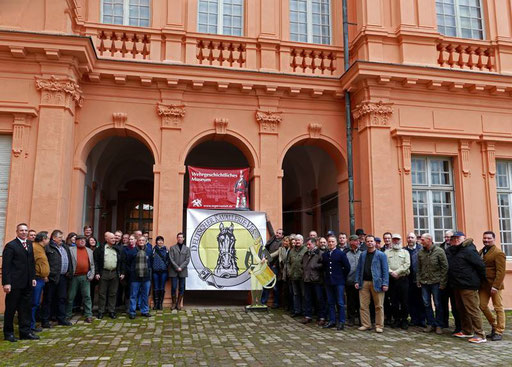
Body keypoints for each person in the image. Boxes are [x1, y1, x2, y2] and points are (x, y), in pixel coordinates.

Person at [446, 232, 487, 343]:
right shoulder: (455, 250)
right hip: (457, 284)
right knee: (461, 309)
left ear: (464, 238)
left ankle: (480, 334)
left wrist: (481, 281)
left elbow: (480, 266)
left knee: (472, 310)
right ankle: (467, 331)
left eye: (458, 238)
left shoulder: (469, 250)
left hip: (468, 285)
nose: (456, 239)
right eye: (454, 238)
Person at [2, 223, 38, 342]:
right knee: (11, 309)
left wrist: (33, 278)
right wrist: (6, 283)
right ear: (17, 232)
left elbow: (31, 263)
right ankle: (9, 333)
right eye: (21, 230)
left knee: (25, 309)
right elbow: (6, 266)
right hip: (14, 284)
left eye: (26, 230)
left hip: (27, 283)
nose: (24, 232)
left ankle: (25, 332)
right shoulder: (11, 246)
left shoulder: (29, 244)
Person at [355, 235, 389, 333]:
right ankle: (366, 324)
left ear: (375, 242)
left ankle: (379, 325)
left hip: (377, 283)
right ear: (365, 243)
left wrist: (385, 283)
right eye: (368, 241)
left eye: (371, 241)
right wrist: (357, 281)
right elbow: (359, 268)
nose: (370, 243)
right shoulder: (363, 254)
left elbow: (385, 270)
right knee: (363, 305)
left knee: (379, 305)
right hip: (364, 282)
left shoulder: (381, 255)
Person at [417, 233, 448, 335]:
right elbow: (418, 268)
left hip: (436, 282)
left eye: (422, 240)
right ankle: (430, 323)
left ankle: (439, 325)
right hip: (424, 282)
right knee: (426, 304)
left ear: (429, 240)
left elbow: (445, 267)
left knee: (438, 304)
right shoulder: (421, 252)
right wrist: (418, 280)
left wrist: (443, 282)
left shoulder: (439, 251)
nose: (421, 242)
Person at [41, 229, 73, 327]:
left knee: (62, 298)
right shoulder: (48, 247)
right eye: (60, 237)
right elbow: (44, 262)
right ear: (54, 238)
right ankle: (45, 321)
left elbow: (69, 260)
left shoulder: (65, 247)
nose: (62, 239)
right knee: (48, 299)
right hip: (52, 277)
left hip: (63, 277)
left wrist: (69, 271)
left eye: (62, 237)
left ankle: (61, 319)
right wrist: (46, 275)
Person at [478, 231, 506, 341]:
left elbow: (501, 272)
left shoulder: (498, 253)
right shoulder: (482, 251)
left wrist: (495, 286)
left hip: (495, 285)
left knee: (498, 307)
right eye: (485, 238)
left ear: (494, 239)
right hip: (484, 285)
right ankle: (494, 325)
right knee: (481, 305)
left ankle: (499, 331)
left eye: (489, 238)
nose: (486, 240)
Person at [94, 232, 125, 319]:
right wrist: (97, 272)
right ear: (106, 239)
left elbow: (122, 261)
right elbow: (96, 262)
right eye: (112, 238)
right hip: (104, 272)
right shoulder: (100, 249)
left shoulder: (118, 249)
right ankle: (101, 311)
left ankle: (111, 311)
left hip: (115, 273)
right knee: (102, 293)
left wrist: (122, 272)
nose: (114, 240)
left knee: (113, 293)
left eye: (114, 238)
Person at [322, 235, 350, 330]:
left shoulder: (340, 254)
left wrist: (341, 277)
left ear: (336, 243)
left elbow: (347, 267)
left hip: (339, 282)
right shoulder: (325, 254)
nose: (330, 243)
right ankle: (332, 321)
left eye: (332, 242)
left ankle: (341, 322)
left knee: (340, 302)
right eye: (329, 242)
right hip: (329, 281)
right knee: (330, 302)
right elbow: (324, 268)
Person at [66, 235, 95, 323]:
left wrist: (92, 274)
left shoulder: (89, 251)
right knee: (70, 296)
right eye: (80, 240)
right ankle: (68, 314)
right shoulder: (71, 250)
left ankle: (88, 315)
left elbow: (92, 264)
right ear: (76, 241)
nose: (82, 241)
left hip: (85, 277)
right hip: (74, 277)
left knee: (87, 296)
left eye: (84, 240)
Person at [385, 234, 411, 330]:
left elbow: (407, 264)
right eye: (394, 240)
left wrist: (397, 272)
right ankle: (396, 319)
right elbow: (385, 264)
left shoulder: (405, 252)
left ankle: (404, 320)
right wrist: (392, 272)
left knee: (404, 301)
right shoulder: (387, 252)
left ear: (400, 240)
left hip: (403, 278)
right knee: (393, 301)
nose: (396, 241)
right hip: (391, 280)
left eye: (398, 240)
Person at [126, 236, 152, 319]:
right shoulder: (132, 251)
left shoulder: (149, 251)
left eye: (143, 240)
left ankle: (145, 311)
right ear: (137, 241)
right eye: (139, 240)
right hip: (135, 277)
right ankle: (132, 312)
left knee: (145, 295)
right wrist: (132, 271)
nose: (141, 241)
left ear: (145, 241)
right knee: (133, 295)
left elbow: (151, 263)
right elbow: (128, 263)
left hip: (146, 277)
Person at [301, 238, 325, 325]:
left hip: (317, 280)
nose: (307, 246)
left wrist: (315, 266)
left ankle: (321, 317)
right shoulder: (306, 254)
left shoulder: (320, 253)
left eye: (309, 244)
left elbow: (324, 265)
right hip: (307, 279)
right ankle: (308, 316)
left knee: (319, 299)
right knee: (307, 299)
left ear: (314, 244)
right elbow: (302, 264)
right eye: (307, 245)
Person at [405, 232, 426, 327]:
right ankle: (414, 319)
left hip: (419, 279)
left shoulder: (421, 250)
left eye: (412, 237)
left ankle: (422, 319)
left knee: (421, 300)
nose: (410, 239)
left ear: (415, 239)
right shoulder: (404, 250)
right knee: (410, 300)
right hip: (407, 279)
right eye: (408, 237)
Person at [31, 231, 50, 333]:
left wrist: (45, 275)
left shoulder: (41, 248)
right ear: (43, 239)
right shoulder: (34, 248)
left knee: (36, 303)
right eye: (47, 238)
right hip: (36, 279)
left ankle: (32, 324)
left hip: (41, 278)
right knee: (33, 303)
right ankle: (30, 325)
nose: (48, 240)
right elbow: (32, 263)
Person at [169, 232, 190, 310]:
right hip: (174, 270)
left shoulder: (187, 249)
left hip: (183, 270)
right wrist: (177, 267)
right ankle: (173, 303)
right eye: (178, 237)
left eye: (181, 237)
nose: (180, 238)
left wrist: (181, 267)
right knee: (173, 287)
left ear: (183, 239)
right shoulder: (172, 248)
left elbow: (187, 260)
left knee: (181, 287)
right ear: (177, 238)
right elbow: (171, 258)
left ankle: (178, 303)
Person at [263, 227, 283, 308]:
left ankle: (276, 303)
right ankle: (263, 302)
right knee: (266, 284)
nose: (277, 234)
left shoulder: (282, 243)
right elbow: (265, 249)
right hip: (268, 265)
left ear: (282, 235)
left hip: (275, 266)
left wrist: (268, 259)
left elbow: (277, 254)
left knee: (275, 286)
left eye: (279, 233)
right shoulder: (272, 240)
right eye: (277, 232)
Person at [287, 234, 307, 317]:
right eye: (296, 240)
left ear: (302, 241)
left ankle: (304, 311)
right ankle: (297, 311)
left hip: (302, 276)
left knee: (303, 294)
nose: (297, 241)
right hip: (293, 276)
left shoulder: (305, 250)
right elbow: (288, 262)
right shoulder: (291, 250)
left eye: (299, 240)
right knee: (295, 294)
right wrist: (289, 271)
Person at [345, 235, 361, 326]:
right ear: (350, 242)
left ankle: (360, 319)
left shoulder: (362, 252)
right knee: (350, 301)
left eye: (357, 241)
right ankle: (351, 319)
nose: (357, 242)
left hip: (359, 281)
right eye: (355, 241)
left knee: (360, 302)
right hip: (349, 281)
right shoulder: (346, 253)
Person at [152, 235, 169, 310]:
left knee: (162, 287)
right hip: (155, 271)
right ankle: (156, 304)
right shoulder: (153, 250)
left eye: (161, 240)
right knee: (156, 287)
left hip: (163, 271)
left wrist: (165, 266)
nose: (160, 242)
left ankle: (160, 304)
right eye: (158, 240)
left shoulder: (166, 250)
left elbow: (168, 260)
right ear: (156, 242)